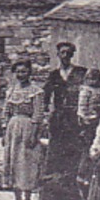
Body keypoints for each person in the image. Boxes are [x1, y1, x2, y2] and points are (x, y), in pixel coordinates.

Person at [2, 60, 44, 200]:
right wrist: (4, 131)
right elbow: (6, 112)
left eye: (24, 71)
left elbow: (38, 114)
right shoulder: (11, 90)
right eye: (18, 72)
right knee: (12, 162)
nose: (21, 75)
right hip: (13, 128)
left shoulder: (36, 91)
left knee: (26, 163)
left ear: (29, 73)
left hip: (27, 127)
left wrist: (33, 134)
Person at [41, 43, 87, 179]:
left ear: (72, 54)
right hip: (59, 116)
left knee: (74, 144)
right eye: (62, 53)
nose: (65, 56)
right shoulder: (54, 75)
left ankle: (71, 175)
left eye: (68, 53)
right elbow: (46, 95)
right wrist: (45, 114)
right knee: (57, 144)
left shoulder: (80, 72)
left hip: (75, 115)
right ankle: (56, 176)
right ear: (58, 55)